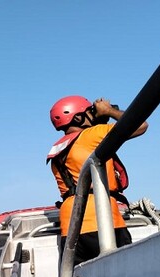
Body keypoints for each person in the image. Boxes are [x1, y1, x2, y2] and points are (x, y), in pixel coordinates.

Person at [46, 95, 148, 265]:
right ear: (77, 117)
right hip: (102, 220)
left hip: (71, 227)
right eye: (89, 112)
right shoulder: (92, 135)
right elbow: (141, 125)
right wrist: (109, 111)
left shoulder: (57, 149)